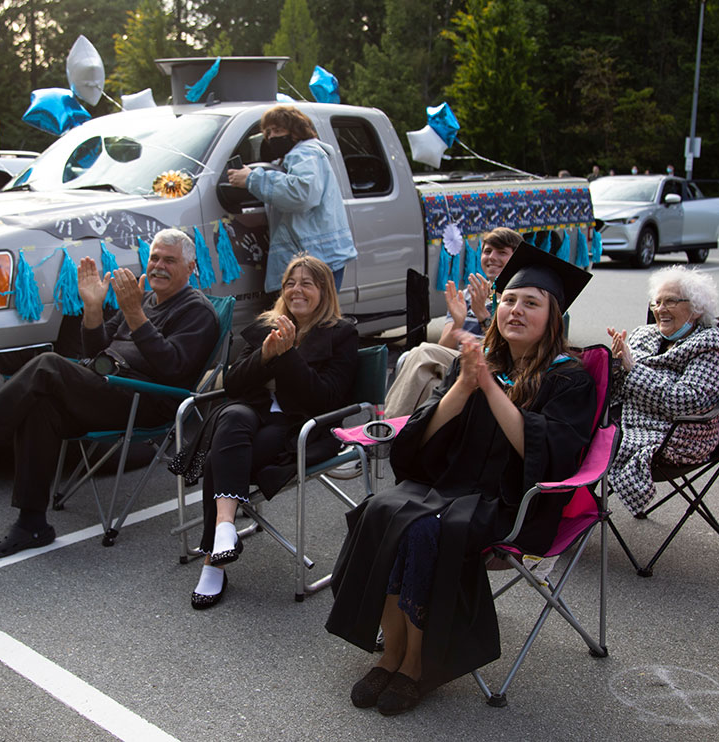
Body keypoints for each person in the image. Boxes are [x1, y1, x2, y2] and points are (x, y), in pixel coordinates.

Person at [325, 242, 595, 716]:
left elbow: (546, 454)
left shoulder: (568, 379)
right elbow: (425, 436)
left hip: (510, 502)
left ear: (553, 318)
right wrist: (466, 386)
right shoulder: (474, 362)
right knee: (380, 511)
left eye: (532, 303)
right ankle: (390, 650)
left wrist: (489, 389)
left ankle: (416, 664)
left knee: (427, 529)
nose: (516, 310)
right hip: (448, 486)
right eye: (510, 299)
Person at [0, 228, 220, 560]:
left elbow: (174, 368)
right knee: (40, 405)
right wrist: (93, 310)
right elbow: (96, 349)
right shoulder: (143, 298)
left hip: (142, 401)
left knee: (47, 366)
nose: (158, 265)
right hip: (105, 387)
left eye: (170, 260)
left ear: (191, 268)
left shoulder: (196, 312)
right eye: (155, 257)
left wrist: (134, 315)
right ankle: (32, 524)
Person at [182, 255, 358, 608]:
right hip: (250, 411)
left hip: (298, 424)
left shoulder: (341, 334)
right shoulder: (267, 325)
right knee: (231, 420)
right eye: (291, 282)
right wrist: (264, 354)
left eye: (307, 283)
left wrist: (289, 354)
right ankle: (224, 534)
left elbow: (326, 398)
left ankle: (216, 551)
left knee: (222, 454)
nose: (297, 290)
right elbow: (232, 383)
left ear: (324, 291)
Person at [606, 265, 719, 515]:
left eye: (670, 302)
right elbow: (618, 387)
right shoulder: (644, 334)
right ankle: (568, 511)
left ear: (696, 308)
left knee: (580, 440)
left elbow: (687, 401)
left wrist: (633, 369)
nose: (660, 309)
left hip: (678, 434)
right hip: (627, 417)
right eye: (656, 302)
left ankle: (574, 513)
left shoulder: (712, 345)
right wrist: (614, 366)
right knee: (560, 423)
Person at [383, 227, 521, 417]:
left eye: (502, 252)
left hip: (492, 367)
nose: (492, 257)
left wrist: (483, 317)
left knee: (422, 351)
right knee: (428, 381)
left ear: (515, 258)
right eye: (487, 251)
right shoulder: (466, 296)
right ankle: (406, 436)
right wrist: (458, 322)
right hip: (458, 364)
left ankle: (388, 430)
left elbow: (504, 350)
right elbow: (444, 347)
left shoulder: (515, 299)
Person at [226, 105, 357, 292]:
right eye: (268, 132)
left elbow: (302, 194)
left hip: (315, 261)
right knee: (313, 318)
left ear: (296, 131)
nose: (272, 137)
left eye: (278, 130)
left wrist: (252, 179)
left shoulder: (304, 153)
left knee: (312, 318)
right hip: (318, 258)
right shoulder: (294, 158)